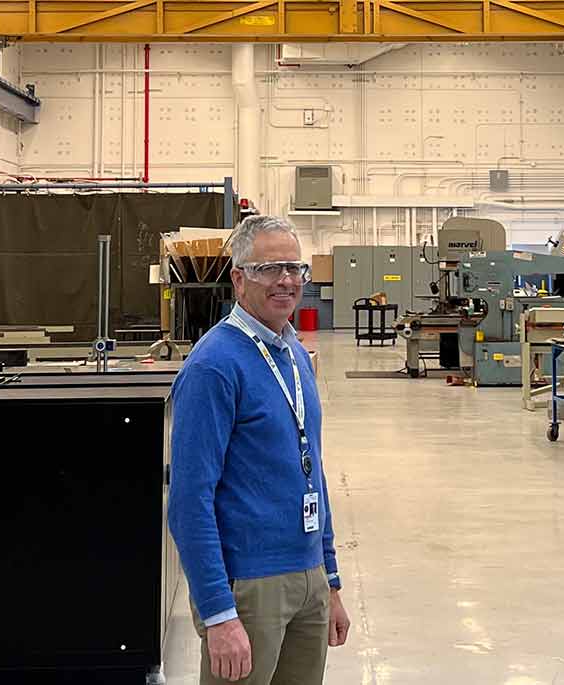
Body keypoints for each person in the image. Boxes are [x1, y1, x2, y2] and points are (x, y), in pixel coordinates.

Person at [169, 215, 350, 685]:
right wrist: (218, 613)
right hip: (249, 587)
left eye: (294, 268)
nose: (286, 280)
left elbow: (311, 472)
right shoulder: (213, 366)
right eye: (269, 269)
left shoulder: (295, 355)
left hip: (308, 577)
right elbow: (189, 502)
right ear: (238, 279)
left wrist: (329, 580)